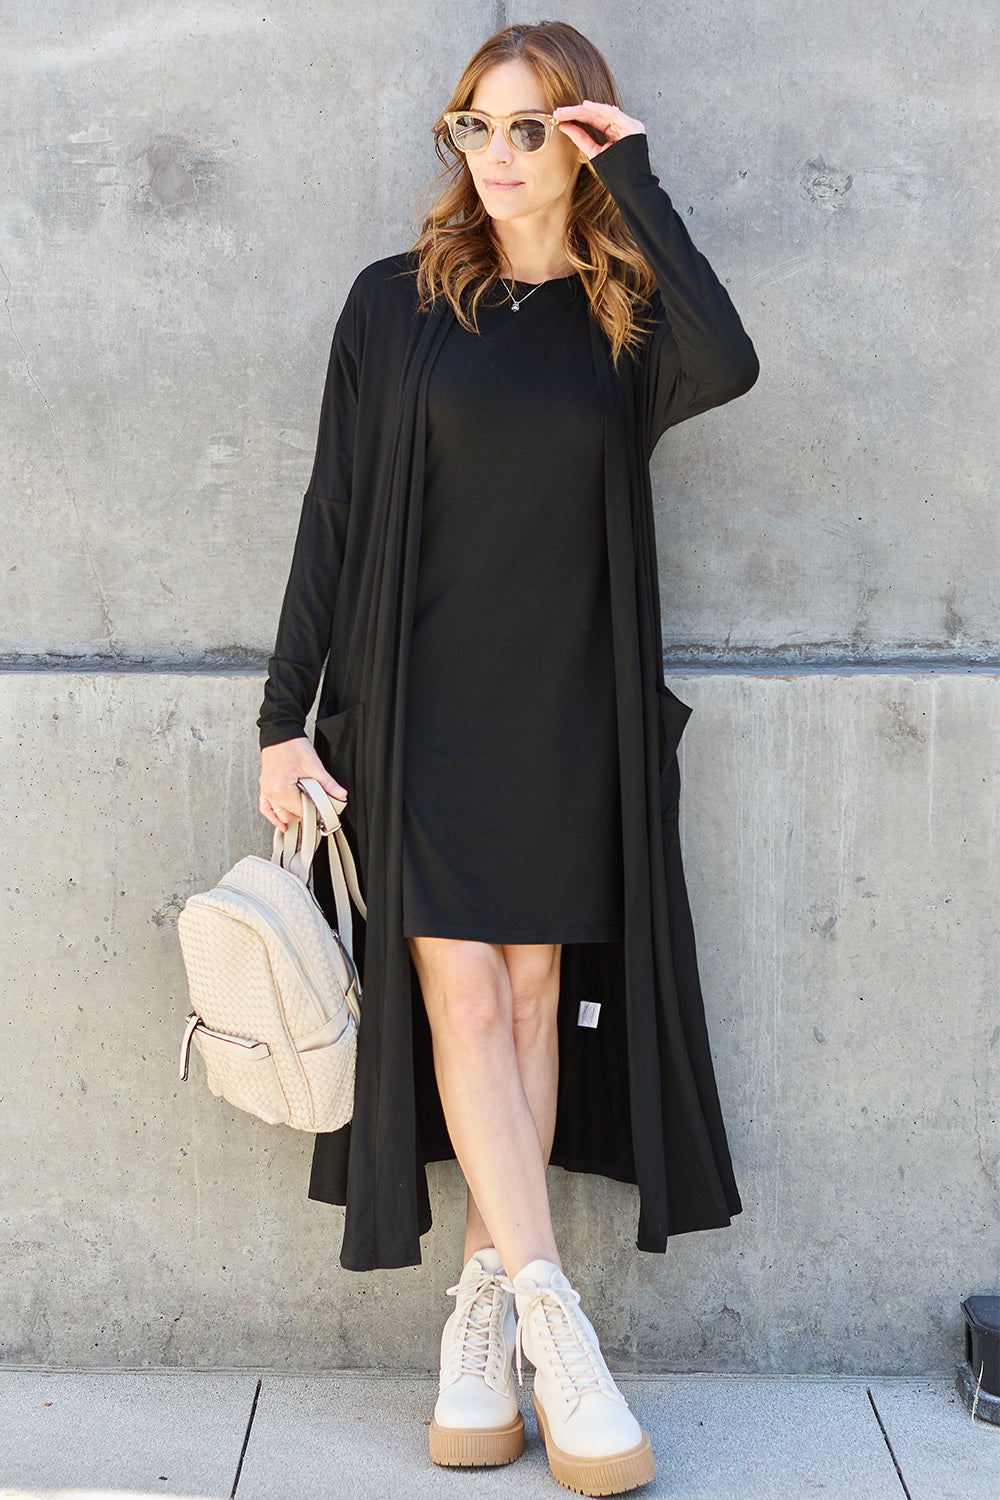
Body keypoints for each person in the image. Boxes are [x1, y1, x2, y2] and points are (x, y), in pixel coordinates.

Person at [257, 19, 757, 1497]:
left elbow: (734, 362)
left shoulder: (629, 323)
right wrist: (285, 717)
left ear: (582, 140)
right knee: (464, 992)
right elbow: (330, 517)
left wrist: (642, 180)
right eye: (472, 128)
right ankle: (558, 1329)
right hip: (417, 710)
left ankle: (481, 1318)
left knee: (532, 990)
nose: (493, 157)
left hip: (564, 711)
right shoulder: (394, 306)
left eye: (530, 129)